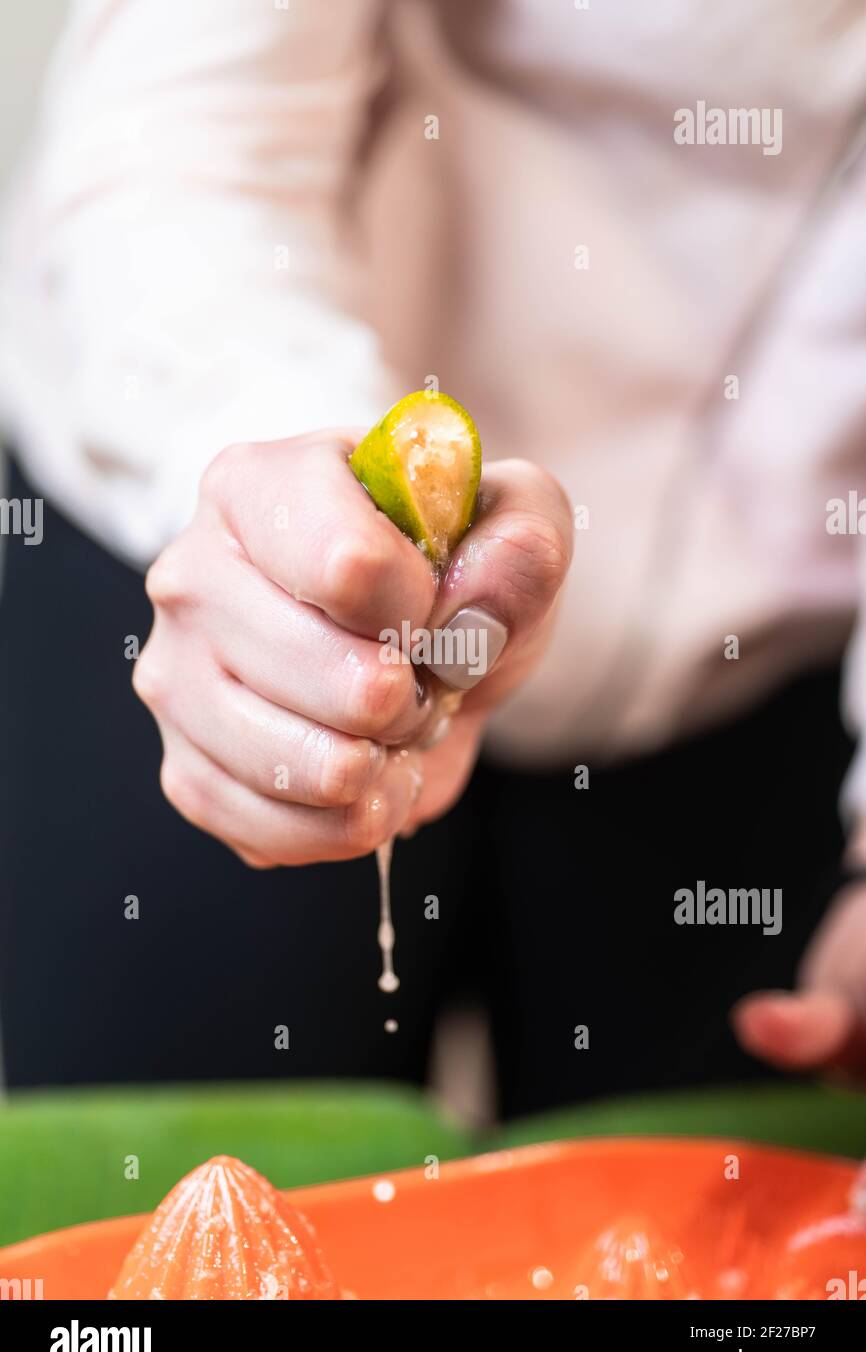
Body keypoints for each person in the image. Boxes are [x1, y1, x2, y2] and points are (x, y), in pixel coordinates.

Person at [1, 0, 865, 1117]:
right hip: (217, 550)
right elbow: (196, 134)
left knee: (680, 1243)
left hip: (763, 683)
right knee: (189, 1218)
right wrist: (296, 520)